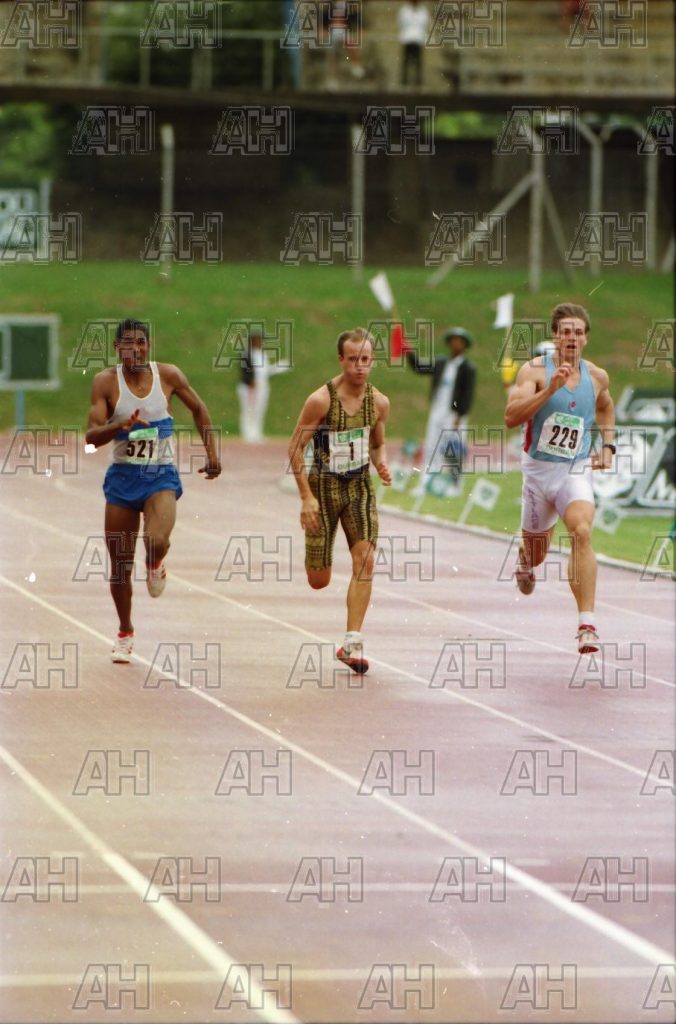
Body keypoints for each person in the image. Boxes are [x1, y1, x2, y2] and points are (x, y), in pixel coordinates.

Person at [85, 319, 221, 663]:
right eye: (128, 343)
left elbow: (199, 408)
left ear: (148, 345)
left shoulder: (168, 376)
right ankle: (125, 631)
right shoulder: (105, 382)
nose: (136, 349)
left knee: (157, 539)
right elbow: (90, 439)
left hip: (160, 475)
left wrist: (212, 454)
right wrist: (120, 425)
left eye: (142, 342)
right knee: (120, 566)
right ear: (117, 348)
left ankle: (155, 562)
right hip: (123, 479)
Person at [504, 303, 616, 654]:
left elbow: (605, 406)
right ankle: (526, 557)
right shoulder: (534, 372)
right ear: (555, 336)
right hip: (539, 474)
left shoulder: (596, 377)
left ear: (586, 338)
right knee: (538, 555)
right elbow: (511, 417)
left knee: (582, 531)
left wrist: (609, 445)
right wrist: (549, 391)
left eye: (578, 332)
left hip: (574, 469)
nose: (572, 338)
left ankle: (586, 624)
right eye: (565, 331)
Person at [287, 328, 391, 674]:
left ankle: (352, 642)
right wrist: (306, 497)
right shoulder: (321, 401)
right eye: (353, 359)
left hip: (359, 487)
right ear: (341, 360)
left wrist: (381, 463)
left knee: (366, 559)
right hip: (323, 488)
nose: (360, 366)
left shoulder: (379, 402)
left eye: (366, 359)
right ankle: (317, 558)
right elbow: (294, 449)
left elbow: (377, 443)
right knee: (319, 579)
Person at [403, 326, 476, 496]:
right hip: (437, 411)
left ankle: (455, 485)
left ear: (464, 345)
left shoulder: (468, 368)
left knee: (453, 451)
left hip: (454, 415)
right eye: (453, 340)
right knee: (431, 447)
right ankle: (426, 482)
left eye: (459, 341)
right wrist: (408, 351)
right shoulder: (441, 362)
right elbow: (419, 367)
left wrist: (460, 416)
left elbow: (468, 394)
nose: (455, 344)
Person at [237, 330, 289, 444]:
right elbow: (245, 370)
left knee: (259, 410)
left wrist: (279, 367)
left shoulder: (262, 354)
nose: (260, 342)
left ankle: (256, 433)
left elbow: (265, 371)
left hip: (262, 386)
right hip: (250, 387)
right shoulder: (247, 354)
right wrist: (250, 381)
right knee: (249, 409)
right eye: (257, 339)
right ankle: (247, 434)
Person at [397, 0, 430, 87]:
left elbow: (425, 24)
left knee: (418, 62)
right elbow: (400, 23)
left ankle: (418, 82)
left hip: (418, 39)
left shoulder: (423, 11)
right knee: (406, 62)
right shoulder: (404, 10)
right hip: (407, 38)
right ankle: (404, 81)